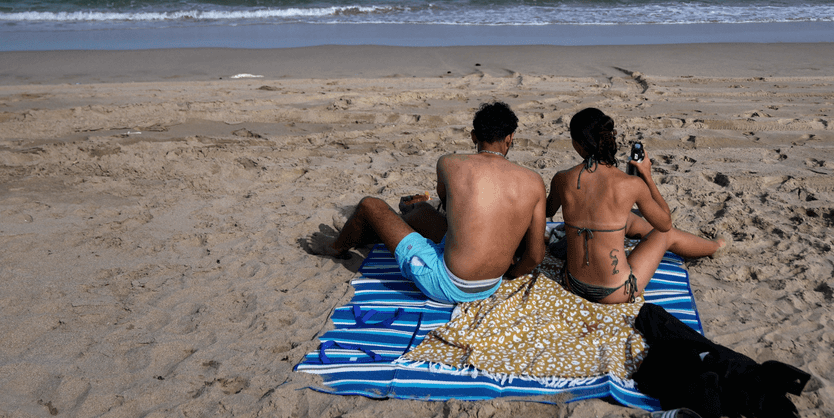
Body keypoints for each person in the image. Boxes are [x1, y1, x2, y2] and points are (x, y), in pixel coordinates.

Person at [310, 101, 547, 303]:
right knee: (419, 211)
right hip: (490, 284)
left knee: (370, 205)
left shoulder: (449, 163)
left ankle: (335, 247)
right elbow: (535, 257)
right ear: (510, 138)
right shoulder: (534, 181)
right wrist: (507, 275)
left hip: (446, 283)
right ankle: (379, 232)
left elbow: (448, 202)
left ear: (474, 135)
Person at [545, 107, 724, 304]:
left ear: (577, 145)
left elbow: (548, 210)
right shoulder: (630, 184)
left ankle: (651, 239)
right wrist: (647, 176)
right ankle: (716, 246)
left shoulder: (562, 179)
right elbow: (665, 224)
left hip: (573, 283)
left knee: (627, 218)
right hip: (617, 291)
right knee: (666, 235)